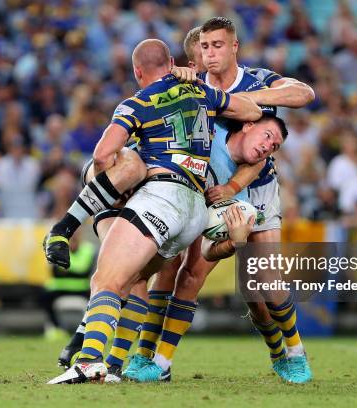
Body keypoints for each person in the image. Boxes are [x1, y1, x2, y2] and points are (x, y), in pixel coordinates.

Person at [46, 38, 261, 384]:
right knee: (135, 280)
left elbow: (103, 154)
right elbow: (251, 111)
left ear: (137, 71)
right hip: (194, 210)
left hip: (162, 195)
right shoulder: (200, 92)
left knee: (106, 279)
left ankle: (88, 360)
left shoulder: (138, 102)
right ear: (173, 62)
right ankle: (114, 366)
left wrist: (112, 192)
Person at [129, 17, 314, 384]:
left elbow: (303, 95)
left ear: (234, 47)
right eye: (205, 47)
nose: (210, 52)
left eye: (217, 45)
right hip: (204, 190)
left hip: (254, 189)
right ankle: (156, 361)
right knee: (186, 272)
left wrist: (248, 100)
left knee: (261, 287)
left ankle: (290, 351)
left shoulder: (257, 80)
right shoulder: (193, 85)